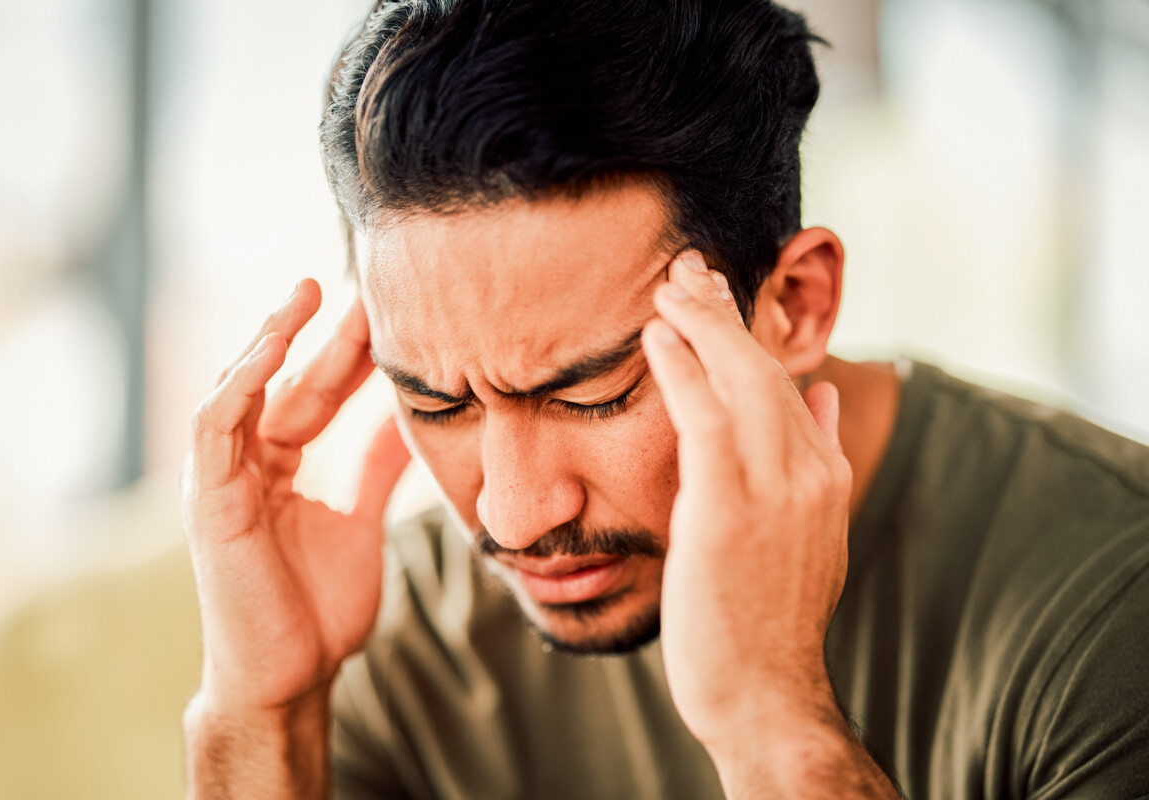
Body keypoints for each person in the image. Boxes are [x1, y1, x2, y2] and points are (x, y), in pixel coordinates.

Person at [180, 0, 1149, 797]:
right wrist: (263, 713)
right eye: (437, 401)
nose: (516, 515)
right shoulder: (406, 639)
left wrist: (775, 722)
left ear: (795, 302)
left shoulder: (1114, 598)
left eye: (594, 392)